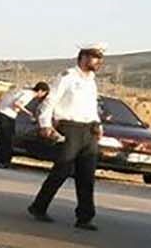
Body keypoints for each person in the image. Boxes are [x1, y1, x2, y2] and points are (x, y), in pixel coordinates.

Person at [28, 44, 107, 230]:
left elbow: (90, 106)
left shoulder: (91, 80)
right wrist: (45, 124)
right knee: (62, 170)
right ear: (84, 57)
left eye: (100, 57)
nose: (99, 62)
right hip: (70, 128)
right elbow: (50, 101)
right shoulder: (68, 77)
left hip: (89, 130)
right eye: (95, 57)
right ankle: (39, 206)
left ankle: (85, 217)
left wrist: (98, 124)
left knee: (86, 174)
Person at [0, 81, 50, 166]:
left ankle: (1, 157)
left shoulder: (25, 92)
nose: (43, 96)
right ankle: (4, 161)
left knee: (6, 137)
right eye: (44, 93)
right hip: (6, 114)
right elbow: (17, 103)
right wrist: (29, 113)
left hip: (5, 113)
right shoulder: (28, 95)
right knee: (7, 139)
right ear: (40, 91)